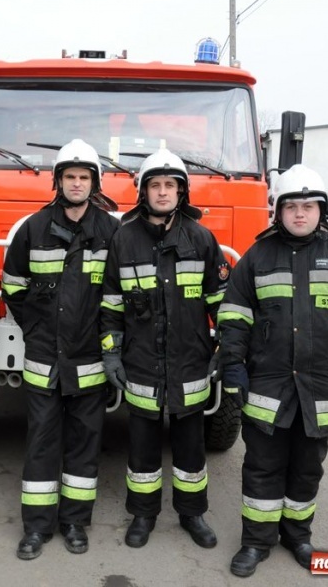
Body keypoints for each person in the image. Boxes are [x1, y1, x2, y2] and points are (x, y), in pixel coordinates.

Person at [218, 164, 328, 577]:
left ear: (321, 210)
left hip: (320, 386)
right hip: (268, 387)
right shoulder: (257, 256)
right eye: (291, 206)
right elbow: (234, 317)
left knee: (308, 467)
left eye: (308, 206)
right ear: (278, 211)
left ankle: (298, 535)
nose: (299, 213)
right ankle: (256, 542)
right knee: (262, 465)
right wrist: (232, 368)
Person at [100, 149, 229, 550]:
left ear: (181, 192)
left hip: (190, 361)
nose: (162, 192)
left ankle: (193, 515)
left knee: (191, 446)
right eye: (155, 185)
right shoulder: (124, 238)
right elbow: (110, 305)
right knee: (141, 445)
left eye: (169, 185)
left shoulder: (202, 239)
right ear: (143, 191)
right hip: (140, 362)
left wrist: (226, 347)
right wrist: (110, 351)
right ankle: (143, 515)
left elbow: (223, 301)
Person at [2, 138, 120, 560]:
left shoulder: (112, 231)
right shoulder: (33, 228)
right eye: (69, 176)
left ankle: (74, 523)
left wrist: (109, 344)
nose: (75, 183)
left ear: (94, 183)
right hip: (42, 362)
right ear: (58, 182)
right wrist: (35, 329)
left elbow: (117, 293)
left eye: (83, 177)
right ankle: (36, 528)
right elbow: (13, 286)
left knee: (84, 445)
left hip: (88, 363)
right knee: (41, 444)